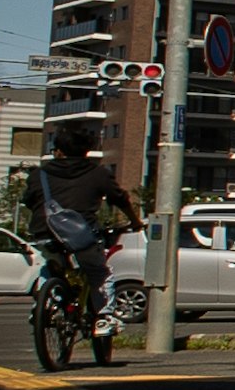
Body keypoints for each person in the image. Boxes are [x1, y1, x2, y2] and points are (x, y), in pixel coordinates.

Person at [17, 116, 142, 324]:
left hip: (44, 233)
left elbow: (29, 201)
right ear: (86, 152)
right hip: (82, 237)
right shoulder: (98, 173)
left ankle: (43, 306)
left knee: (50, 266)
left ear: (58, 151)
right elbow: (119, 198)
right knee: (99, 273)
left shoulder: (39, 175)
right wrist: (134, 221)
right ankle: (104, 317)